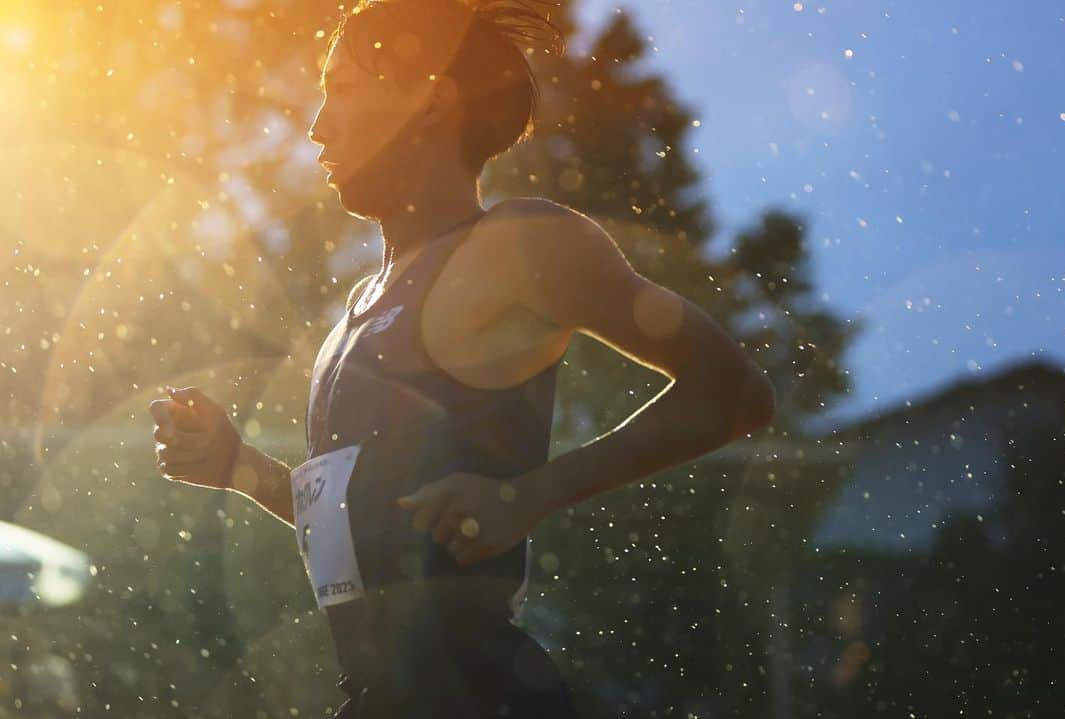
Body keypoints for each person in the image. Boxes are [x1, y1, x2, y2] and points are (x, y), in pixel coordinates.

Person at [147, 0, 777, 716]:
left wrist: (526, 495)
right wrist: (243, 468)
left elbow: (737, 394)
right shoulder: (354, 309)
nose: (319, 126)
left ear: (431, 101)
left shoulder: (520, 243)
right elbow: (369, 526)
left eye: (343, 91)